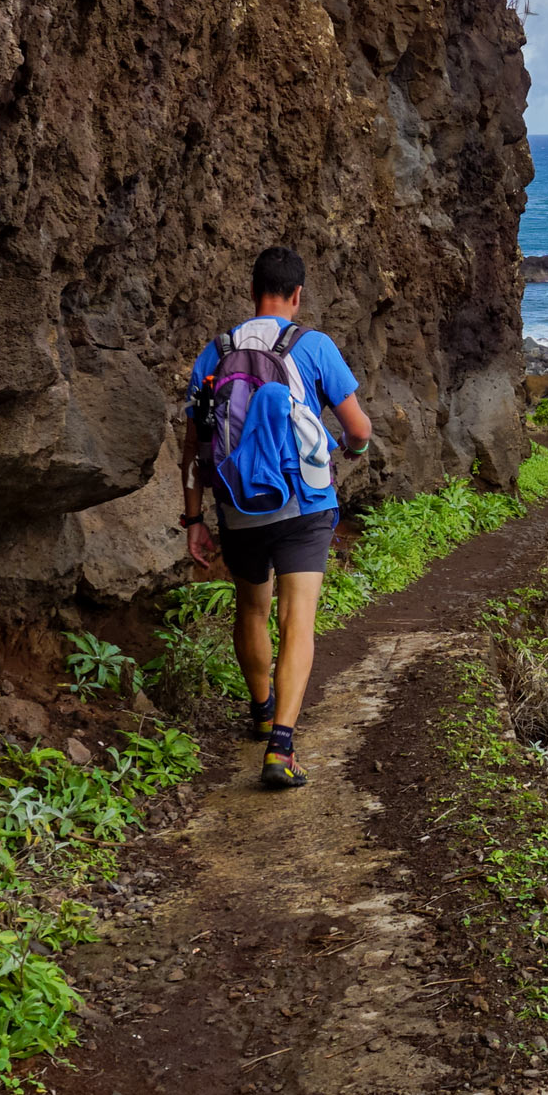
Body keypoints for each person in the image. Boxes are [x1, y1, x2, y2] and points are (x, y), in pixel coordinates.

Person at [182, 245, 372, 790]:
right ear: (297, 295)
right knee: (298, 620)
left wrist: (194, 518)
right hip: (304, 504)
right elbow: (358, 430)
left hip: (238, 502)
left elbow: (195, 442)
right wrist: (350, 452)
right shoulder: (313, 346)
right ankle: (281, 747)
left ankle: (262, 709)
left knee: (251, 607)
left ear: (252, 294)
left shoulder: (216, 352)